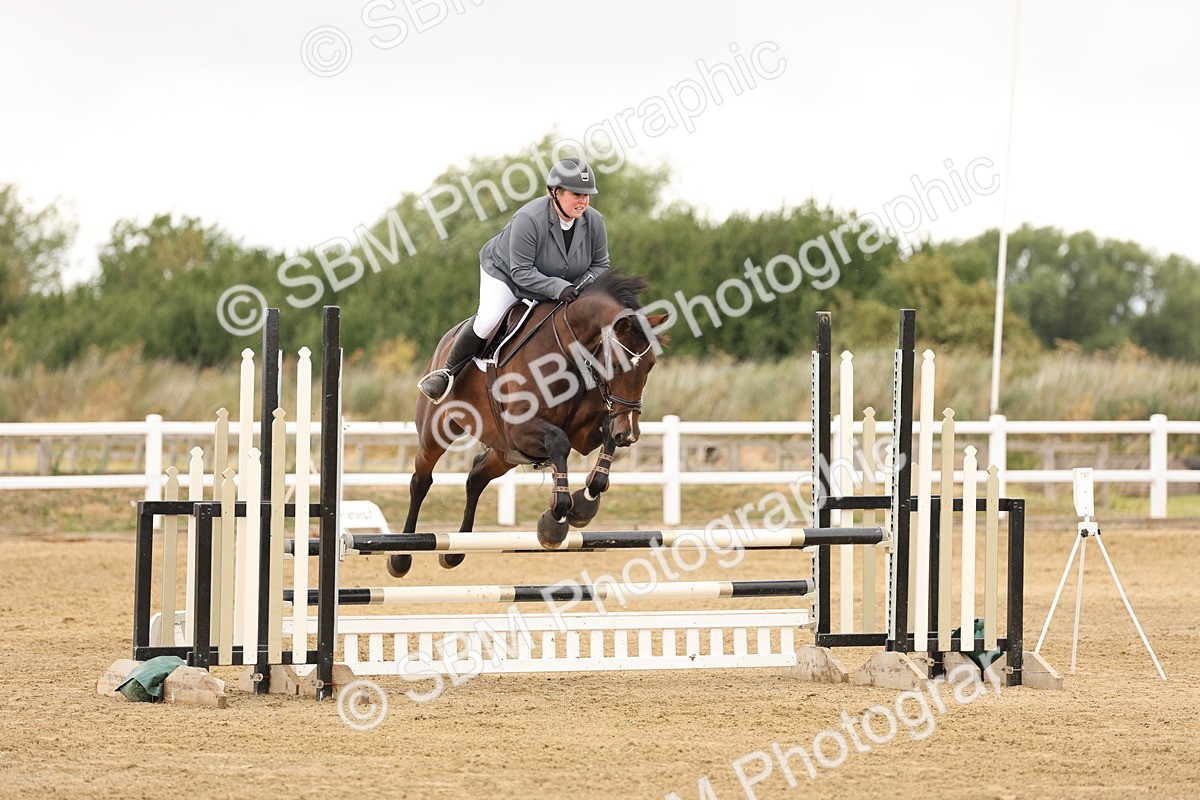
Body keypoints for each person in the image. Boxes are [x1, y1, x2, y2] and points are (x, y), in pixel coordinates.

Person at [417, 157, 611, 403]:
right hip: (508, 275)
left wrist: (581, 285)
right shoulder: (528, 219)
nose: (583, 201)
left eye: (587, 196)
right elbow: (522, 272)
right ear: (555, 192)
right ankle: (446, 373)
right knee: (489, 318)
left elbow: (601, 264)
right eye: (576, 194)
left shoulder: (595, 221)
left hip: (564, 284)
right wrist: (559, 287)